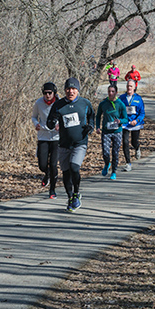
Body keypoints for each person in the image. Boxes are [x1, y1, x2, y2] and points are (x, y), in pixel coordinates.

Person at [46, 77, 94, 212]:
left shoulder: (85, 103)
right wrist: (53, 120)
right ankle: (70, 197)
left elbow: (91, 115)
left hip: (80, 142)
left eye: (73, 89)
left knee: (74, 167)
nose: (70, 91)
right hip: (63, 144)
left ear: (77, 90)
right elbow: (49, 124)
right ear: (64, 90)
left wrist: (91, 126)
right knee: (66, 172)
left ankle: (76, 193)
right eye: (68, 89)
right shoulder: (58, 105)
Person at [31, 82, 60, 199]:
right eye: (45, 93)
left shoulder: (59, 103)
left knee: (53, 164)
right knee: (42, 165)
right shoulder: (38, 103)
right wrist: (36, 124)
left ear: (54, 93)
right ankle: (46, 174)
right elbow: (34, 116)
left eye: (50, 93)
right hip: (43, 136)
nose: (47, 95)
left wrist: (60, 125)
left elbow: (64, 117)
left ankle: (52, 190)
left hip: (56, 137)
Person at [96, 84, 127, 180]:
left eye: (113, 91)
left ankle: (114, 171)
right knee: (105, 152)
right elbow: (98, 116)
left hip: (117, 131)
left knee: (115, 152)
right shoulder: (103, 104)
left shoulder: (120, 104)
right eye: (109, 91)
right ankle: (106, 164)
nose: (110, 93)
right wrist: (97, 127)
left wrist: (120, 121)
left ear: (116, 93)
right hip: (106, 131)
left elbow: (126, 118)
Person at [120, 79, 145, 169]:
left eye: (131, 86)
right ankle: (128, 163)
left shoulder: (138, 99)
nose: (129, 88)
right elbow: (118, 111)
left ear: (134, 87)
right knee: (125, 142)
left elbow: (142, 113)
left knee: (134, 141)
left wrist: (137, 120)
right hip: (125, 123)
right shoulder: (121, 98)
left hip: (135, 124)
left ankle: (137, 148)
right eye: (127, 86)